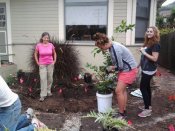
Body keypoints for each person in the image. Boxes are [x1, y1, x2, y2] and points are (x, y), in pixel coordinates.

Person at [93, 32, 138, 118]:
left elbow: (120, 66)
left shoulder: (116, 48)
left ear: (105, 44)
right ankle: (123, 110)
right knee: (122, 91)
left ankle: (121, 114)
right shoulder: (111, 46)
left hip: (129, 70)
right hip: (127, 69)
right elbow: (119, 64)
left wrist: (111, 69)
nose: (102, 49)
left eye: (101, 47)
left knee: (118, 91)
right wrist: (112, 68)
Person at [138, 26, 160, 117]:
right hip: (145, 68)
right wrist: (138, 64)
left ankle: (147, 109)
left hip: (149, 70)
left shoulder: (156, 44)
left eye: (151, 31)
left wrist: (144, 52)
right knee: (147, 87)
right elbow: (144, 56)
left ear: (155, 33)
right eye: (148, 31)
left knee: (143, 88)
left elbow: (155, 59)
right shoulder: (148, 42)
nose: (149, 33)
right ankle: (148, 106)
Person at [34, 32, 57, 101]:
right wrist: (37, 62)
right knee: (43, 79)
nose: (46, 39)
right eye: (45, 38)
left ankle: (48, 91)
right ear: (42, 38)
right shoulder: (39, 45)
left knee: (50, 78)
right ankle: (43, 95)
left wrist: (54, 61)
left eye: (47, 38)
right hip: (42, 64)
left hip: (50, 63)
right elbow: (35, 54)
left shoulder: (51, 45)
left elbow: (54, 53)